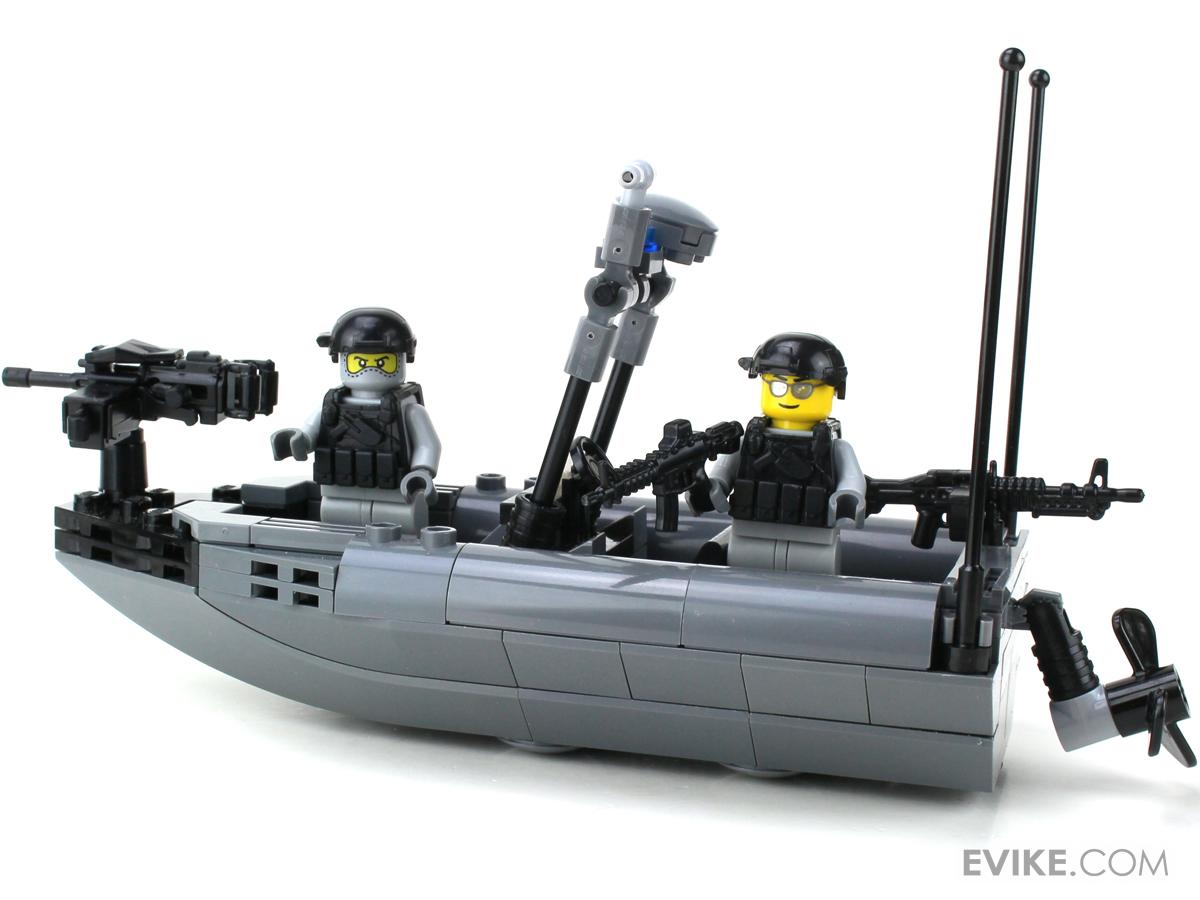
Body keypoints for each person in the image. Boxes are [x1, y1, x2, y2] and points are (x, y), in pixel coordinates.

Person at [699, 333, 865, 574]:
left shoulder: (835, 447)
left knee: (815, 588)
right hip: (749, 533)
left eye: (803, 388)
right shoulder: (748, 441)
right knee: (739, 583)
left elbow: (851, 480)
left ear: (833, 391)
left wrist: (848, 497)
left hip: (815, 540)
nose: (788, 395)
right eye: (778, 386)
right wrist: (713, 486)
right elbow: (723, 473)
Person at [270, 308, 441, 531]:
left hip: (395, 495)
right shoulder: (330, 406)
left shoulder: (410, 410)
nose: (370, 368)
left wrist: (422, 471)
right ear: (341, 360)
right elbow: (310, 433)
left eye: (384, 362)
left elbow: (428, 445)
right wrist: (298, 440)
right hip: (338, 492)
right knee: (333, 531)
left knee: (399, 534)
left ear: (403, 359)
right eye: (358, 362)